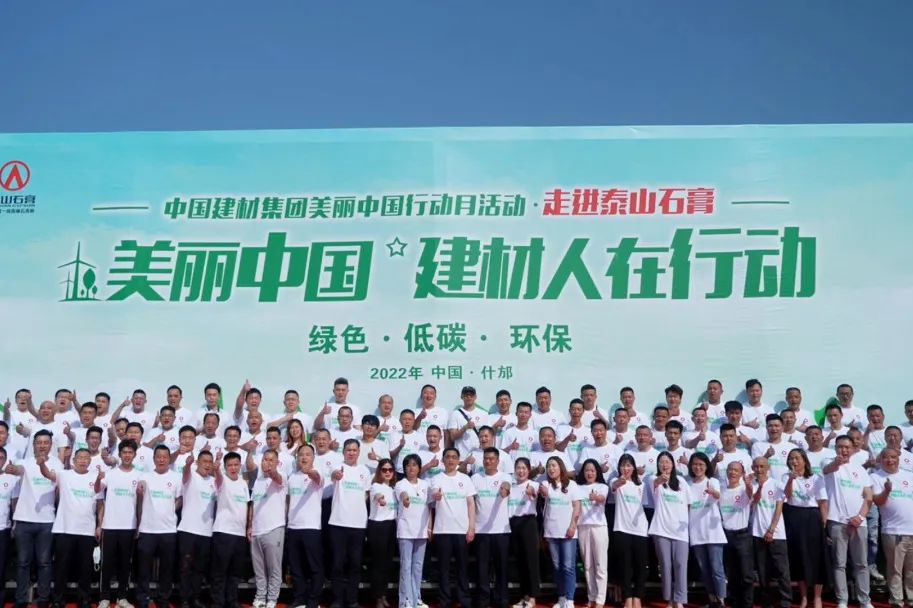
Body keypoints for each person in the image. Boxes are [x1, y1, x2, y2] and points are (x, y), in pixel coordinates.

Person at [9, 429, 64, 608]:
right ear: (33, 445)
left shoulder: (57, 463)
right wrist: (12, 469)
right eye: (39, 442)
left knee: (44, 563)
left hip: (46, 522)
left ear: (51, 445)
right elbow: (18, 470)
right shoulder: (24, 462)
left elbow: (52, 477)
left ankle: (43, 599)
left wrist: (42, 466)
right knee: (22, 563)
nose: (42, 446)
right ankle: (20, 599)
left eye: (45, 442)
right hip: (24, 520)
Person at [823, 436, 875, 608]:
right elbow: (828, 469)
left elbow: (868, 497)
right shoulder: (828, 462)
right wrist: (837, 463)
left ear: (853, 449)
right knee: (839, 563)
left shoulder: (860, 469)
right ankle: (842, 600)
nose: (844, 450)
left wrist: (860, 517)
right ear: (835, 448)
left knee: (862, 563)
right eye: (840, 447)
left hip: (859, 522)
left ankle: (865, 600)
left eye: (847, 447)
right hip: (837, 521)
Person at [48, 447, 101, 608]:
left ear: (90, 461)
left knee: (85, 568)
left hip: (86, 530)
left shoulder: (96, 477)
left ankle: (84, 599)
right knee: (61, 567)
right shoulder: (64, 475)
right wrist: (42, 464)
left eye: (86, 458)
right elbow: (48, 474)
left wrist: (99, 526)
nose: (83, 460)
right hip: (64, 529)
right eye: (80, 457)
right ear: (74, 460)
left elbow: (100, 504)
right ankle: (58, 599)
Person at [136, 445, 183, 608]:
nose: (161, 459)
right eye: (158, 456)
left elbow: (179, 499)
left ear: (169, 459)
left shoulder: (176, 477)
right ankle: (143, 599)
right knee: (144, 568)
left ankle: (163, 599)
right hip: (147, 529)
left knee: (166, 569)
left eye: (165, 457)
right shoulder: (145, 476)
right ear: (154, 458)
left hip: (168, 530)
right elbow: (139, 500)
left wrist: (170, 509)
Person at [96, 439, 141, 608]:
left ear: (134, 455)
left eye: (130, 452)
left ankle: (122, 597)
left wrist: (139, 525)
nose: (127, 455)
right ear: (120, 454)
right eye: (124, 452)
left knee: (125, 564)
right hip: (109, 525)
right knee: (106, 563)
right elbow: (97, 490)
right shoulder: (110, 474)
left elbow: (140, 503)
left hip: (129, 526)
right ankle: (104, 597)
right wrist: (98, 479)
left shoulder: (139, 475)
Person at [431, 447, 477, 608]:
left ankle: (464, 599)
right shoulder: (436, 478)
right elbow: (434, 493)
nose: (450, 460)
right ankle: (444, 600)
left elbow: (471, 504)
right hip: (442, 530)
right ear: (443, 460)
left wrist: (471, 528)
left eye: (454, 457)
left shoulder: (465, 479)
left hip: (462, 531)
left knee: (462, 568)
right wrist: (437, 496)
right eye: (448, 457)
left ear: (458, 460)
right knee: (443, 568)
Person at [329, 439, 371, 608]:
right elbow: (333, 475)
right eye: (348, 450)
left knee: (355, 564)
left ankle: (352, 600)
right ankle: (337, 599)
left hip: (358, 525)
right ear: (343, 451)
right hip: (338, 523)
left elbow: (366, 494)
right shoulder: (338, 466)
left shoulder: (365, 471)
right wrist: (336, 475)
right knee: (337, 564)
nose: (351, 453)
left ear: (359, 452)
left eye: (354, 450)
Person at [782, 448, 827, 608]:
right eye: (791, 458)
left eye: (797, 458)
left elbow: (822, 503)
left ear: (804, 460)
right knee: (799, 556)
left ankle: (817, 597)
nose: (794, 461)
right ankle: (804, 597)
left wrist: (824, 524)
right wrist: (791, 480)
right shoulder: (785, 477)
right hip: (793, 516)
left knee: (816, 557)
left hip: (812, 517)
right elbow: (786, 496)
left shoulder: (816, 478)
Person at [872, 447, 913, 608]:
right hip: (893, 531)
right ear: (881, 459)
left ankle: (911, 598)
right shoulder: (876, 477)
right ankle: (896, 600)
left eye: (893, 457)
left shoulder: (909, 475)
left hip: (911, 530)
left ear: (898, 458)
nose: (890, 460)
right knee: (895, 569)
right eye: (886, 457)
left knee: (911, 570)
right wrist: (887, 491)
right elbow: (878, 501)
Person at [648, 451, 690, 608]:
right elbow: (654, 484)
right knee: (665, 565)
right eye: (661, 462)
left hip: (680, 532)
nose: (664, 464)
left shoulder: (682, 482)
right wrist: (661, 479)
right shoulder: (653, 479)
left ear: (673, 464)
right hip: (661, 530)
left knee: (680, 565)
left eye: (667, 462)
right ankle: (669, 599)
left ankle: (679, 600)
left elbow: (689, 504)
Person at [210, 451, 252, 608]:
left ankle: (232, 601)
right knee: (220, 571)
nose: (233, 468)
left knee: (235, 572)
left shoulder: (243, 484)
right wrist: (216, 467)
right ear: (225, 467)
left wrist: (248, 526)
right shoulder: (222, 481)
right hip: (223, 532)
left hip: (239, 534)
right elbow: (218, 477)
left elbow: (247, 505)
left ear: (240, 466)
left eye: (236, 465)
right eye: (230, 465)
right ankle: (218, 602)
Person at [472, 448, 512, 608]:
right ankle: (483, 600)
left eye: (491, 458)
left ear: (497, 461)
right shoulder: (475, 478)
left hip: (501, 531)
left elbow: (507, 486)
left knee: (501, 567)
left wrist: (504, 489)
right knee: (482, 568)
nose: (488, 461)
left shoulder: (505, 477)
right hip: (480, 530)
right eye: (485, 458)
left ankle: (501, 599)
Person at [750, 456, 792, 608]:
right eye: (756, 467)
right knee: (763, 570)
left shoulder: (776, 484)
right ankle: (766, 601)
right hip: (757, 532)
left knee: (782, 569)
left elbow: (779, 507)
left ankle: (786, 600)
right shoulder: (750, 485)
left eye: (762, 466)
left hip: (777, 533)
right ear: (752, 468)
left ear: (768, 468)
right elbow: (751, 503)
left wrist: (771, 529)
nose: (759, 470)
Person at [177, 450, 217, 608]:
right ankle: (184, 599)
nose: (207, 465)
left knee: (199, 568)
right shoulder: (190, 476)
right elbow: (185, 472)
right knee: (185, 567)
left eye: (210, 462)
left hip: (206, 531)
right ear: (197, 463)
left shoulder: (214, 481)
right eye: (204, 461)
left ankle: (195, 598)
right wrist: (187, 465)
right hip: (188, 529)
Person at [540, 456, 581, 608]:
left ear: (561, 467)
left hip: (568, 532)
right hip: (551, 531)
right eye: (549, 466)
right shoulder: (545, 484)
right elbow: (542, 494)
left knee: (568, 566)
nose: (551, 469)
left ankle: (570, 599)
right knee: (557, 566)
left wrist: (572, 526)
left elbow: (577, 507)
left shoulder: (572, 485)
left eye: (554, 465)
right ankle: (562, 597)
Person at [687, 452, 727, 608]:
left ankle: (721, 600)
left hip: (713, 532)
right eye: (695, 464)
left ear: (706, 466)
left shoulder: (712, 481)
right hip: (696, 532)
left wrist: (712, 492)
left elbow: (718, 496)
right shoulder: (688, 484)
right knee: (704, 569)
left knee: (717, 568)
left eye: (701, 465)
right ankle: (712, 599)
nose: (698, 467)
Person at [250, 449, 287, 608]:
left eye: (271, 460)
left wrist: (272, 472)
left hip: (274, 529)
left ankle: (272, 599)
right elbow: (253, 504)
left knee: (274, 568)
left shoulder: (281, 477)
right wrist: (249, 525)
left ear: (277, 462)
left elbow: (276, 477)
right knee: (259, 569)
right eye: (265, 459)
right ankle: (260, 597)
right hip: (256, 530)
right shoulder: (258, 482)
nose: (267, 462)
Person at [395, 454, 432, 608]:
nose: (411, 468)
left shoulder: (425, 484)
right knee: (406, 566)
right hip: (406, 530)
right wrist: (405, 499)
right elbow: (402, 494)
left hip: (421, 531)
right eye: (408, 465)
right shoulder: (400, 484)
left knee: (418, 566)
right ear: (404, 468)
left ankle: (416, 598)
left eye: (414, 465)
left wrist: (429, 526)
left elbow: (429, 506)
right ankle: (405, 601)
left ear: (419, 468)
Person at [612, 453, 648, 608]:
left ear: (633, 468)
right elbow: (614, 487)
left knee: (640, 565)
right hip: (622, 528)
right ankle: (627, 597)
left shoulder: (641, 485)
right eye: (623, 465)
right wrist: (620, 482)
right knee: (625, 565)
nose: (626, 468)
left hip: (640, 529)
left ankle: (638, 597)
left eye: (628, 465)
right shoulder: (616, 482)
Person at [720, 461, 754, 608]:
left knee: (746, 574)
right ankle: (734, 602)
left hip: (742, 536)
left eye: (736, 470)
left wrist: (748, 485)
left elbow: (750, 493)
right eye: (730, 469)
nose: (732, 472)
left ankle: (747, 604)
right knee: (732, 574)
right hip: (726, 536)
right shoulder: (721, 489)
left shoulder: (744, 489)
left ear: (741, 473)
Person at [576, 459, 609, 608]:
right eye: (587, 470)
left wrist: (595, 497)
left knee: (600, 564)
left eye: (592, 470)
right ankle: (591, 597)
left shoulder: (602, 486)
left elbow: (602, 499)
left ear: (597, 472)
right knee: (588, 565)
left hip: (599, 527)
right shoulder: (578, 488)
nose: (589, 473)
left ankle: (600, 600)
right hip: (583, 527)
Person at [509, 457, 540, 608]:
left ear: (528, 470)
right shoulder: (512, 486)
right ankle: (524, 596)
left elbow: (535, 494)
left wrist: (531, 493)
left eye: (523, 468)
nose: (521, 471)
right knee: (520, 562)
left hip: (528, 523)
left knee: (531, 561)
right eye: (518, 468)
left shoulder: (533, 484)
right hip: (513, 524)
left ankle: (533, 597)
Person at [368, 458, 397, 608]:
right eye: (384, 470)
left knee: (387, 563)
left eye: (390, 470)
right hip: (378, 526)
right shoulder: (375, 486)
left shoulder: (394, 489)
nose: (387, 472)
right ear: (379, 471)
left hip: (391, 526)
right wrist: (381, 500)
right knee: (378, 564)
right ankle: (377, 597)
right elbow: (378, 496)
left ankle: (384, 594)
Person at [0, 447, 18, 608]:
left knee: (1, 568)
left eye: (1, 458)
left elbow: (13, 505)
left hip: (3, 529)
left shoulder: (11, 480)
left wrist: (15, 525)